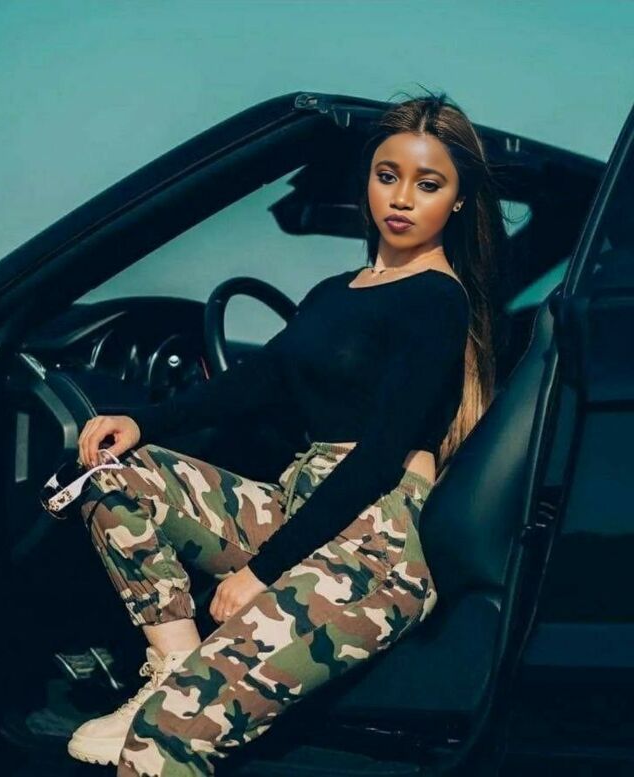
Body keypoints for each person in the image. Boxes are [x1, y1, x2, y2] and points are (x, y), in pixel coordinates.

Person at [67, 89, 505, 776]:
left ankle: (170, 713)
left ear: (458, 201)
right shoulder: (334, 292)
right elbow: (260, 379)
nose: (401, 198)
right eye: (387, 175)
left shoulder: (437, 301)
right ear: (366, 181)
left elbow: (377, 459)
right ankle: (175, 667)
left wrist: (259, 573)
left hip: (373, 541)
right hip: (299, 503)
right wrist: (143, 421)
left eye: (428, 184)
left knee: (166, 738)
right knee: (113, 475)